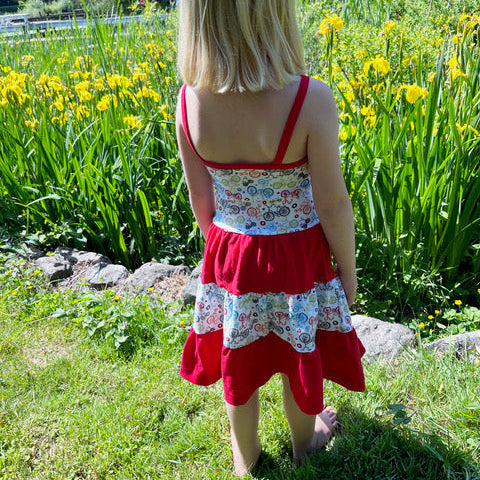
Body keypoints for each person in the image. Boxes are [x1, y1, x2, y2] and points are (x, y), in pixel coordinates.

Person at [175, 0, 365, 476]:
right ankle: (306, 441)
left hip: (231, 256)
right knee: (298, 348)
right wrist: (347, 269)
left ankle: (246, 453)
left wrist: (228, 258)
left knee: (239, 355)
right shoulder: (310, 99)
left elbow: (202, 202)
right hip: (296, 258)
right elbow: (333, 204)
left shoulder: (189, 100)